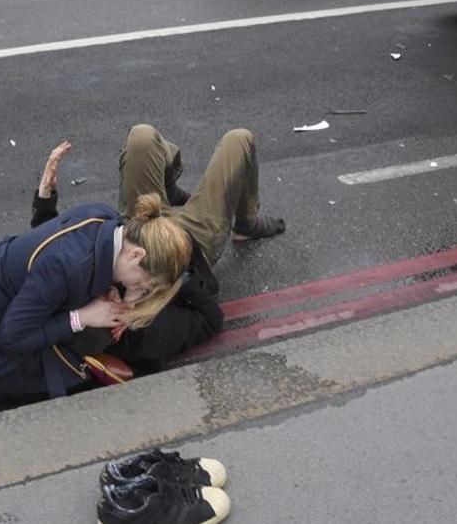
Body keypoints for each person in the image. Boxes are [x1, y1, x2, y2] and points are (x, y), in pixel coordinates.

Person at [0, 192, 192, 407]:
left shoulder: (107, 218)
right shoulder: (67, 266)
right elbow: (11, 338)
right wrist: (83, 318)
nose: (136, 290)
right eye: (142, 283)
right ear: (136, 254)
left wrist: (113, 290)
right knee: (63, 380)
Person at [31, 126, 285, 373]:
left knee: (142, 137)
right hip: (192, 241)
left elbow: (52, 253)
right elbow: (211, 319)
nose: (112, 296)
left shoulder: (81, 290)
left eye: (103, 300)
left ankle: (167, 189)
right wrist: (179, 274)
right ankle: (246, 220)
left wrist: (45, 198)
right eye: (115, 307)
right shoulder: (151, 337)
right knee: (239, 140)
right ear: (118, 328)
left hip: (142, 224)